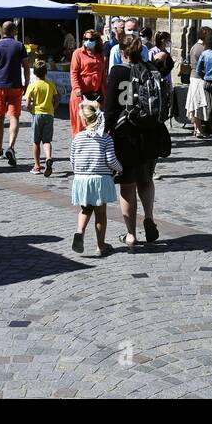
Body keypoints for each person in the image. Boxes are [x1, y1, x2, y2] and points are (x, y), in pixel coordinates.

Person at [105, 34, 160, 248]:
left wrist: (105, 129)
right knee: (146, 180)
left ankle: (130, 234)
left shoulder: (118, 71)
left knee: (127, 186)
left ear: (122, 52)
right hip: (150, 132)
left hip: (125, 135)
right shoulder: (150, 69)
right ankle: (149, 217)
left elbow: (110, 107)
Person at [70, 101, 119, 257]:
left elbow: (72, 159)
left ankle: (79, 231)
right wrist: (120, 168)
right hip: (100, 180)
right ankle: (101, 245)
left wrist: (79, 173)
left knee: (85, 209)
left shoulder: (77, 138)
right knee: (100, 214)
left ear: (83, 120)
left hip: (82, 179)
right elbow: (111, 160)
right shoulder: (106, 138)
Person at [0, 21, 28, 165]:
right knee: (14, 117)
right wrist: (26, 83)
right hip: (15, 86)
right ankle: (11, 147)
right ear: (14, 31)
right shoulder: (19, 46)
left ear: (2, 31)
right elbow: (26, 67)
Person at [69, 28, 107, 140]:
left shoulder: (100, 55)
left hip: (96, 96)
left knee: (96, 125)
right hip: (81, 95)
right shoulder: (78, 53)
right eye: (85, 38)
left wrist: (105, 93)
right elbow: (74, 73)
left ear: (96, 40)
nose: (88, 41)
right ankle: (78, 150)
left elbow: (103, 75)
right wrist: (76, 88)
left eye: (91, 39)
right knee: (80, 125)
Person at [25, 62, 57, 176]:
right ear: (46, 72)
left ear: (34, 72)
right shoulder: (50, 84)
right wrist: (53, 108)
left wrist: (31, 110)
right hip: (49, 114)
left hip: (37, 114)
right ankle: (48, 157)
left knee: (36, 141)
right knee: (47, 140)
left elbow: (28, 103)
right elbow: (57, 98)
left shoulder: (33, 85)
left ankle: (37, 165)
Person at [185, 26, 212, 139]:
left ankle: (197, 128)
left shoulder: (195, 47)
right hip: (198, 78)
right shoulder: (201, 48)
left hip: (195, 77)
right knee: (197, 104)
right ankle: (198, 129)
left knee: (195, 103)